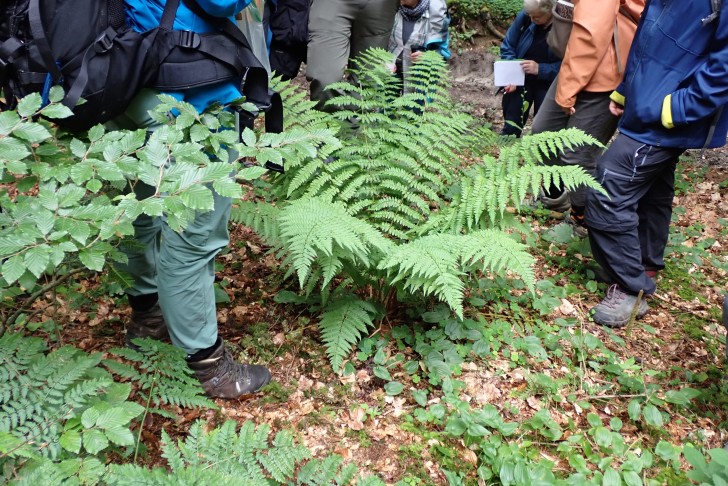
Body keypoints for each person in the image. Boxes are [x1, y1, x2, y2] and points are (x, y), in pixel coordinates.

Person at [113, 0, 272, 399]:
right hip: (185, 83)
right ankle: (206, 365)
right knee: (193, 233)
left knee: (140, 209)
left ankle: (148, 316)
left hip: (116, 72)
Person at [586, 0, 728, 328]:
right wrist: (625, 91)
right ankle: (641, 266)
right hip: (648, 102)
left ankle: (631, 287)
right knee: (653, 189)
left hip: (668, 113)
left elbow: (724, 66)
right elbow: (646, 36)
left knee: (606, 187)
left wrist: (675, 109)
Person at [530, 0, 644, 237]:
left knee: (578, 156)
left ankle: (584, 222)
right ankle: (556, 198)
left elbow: (590, 36)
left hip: (605, 69)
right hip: (574, 65)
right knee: (543, 134)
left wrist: (568, 89)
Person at [307, 0, 400, 111]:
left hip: (381, 6)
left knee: (366, 86)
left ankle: (352, 127)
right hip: (332, 4)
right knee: (325, 80)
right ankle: (326, 125)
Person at [498, 0, 560, 137]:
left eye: (536, 17)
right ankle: (506, 151)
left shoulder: (563, 26)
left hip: (549, 83)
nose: (532, 19)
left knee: (544, 129)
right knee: (511, 125)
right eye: (530, 15)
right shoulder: (526, 17)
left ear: (549, 11)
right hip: (520, 80)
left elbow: (569, 64)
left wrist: (541, 69)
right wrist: (511, 76)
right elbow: (508, 46)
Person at [387, 0, 450, 94]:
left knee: (412, 107)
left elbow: (442, 52)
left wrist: (426, 57)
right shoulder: (390, 8)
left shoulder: (437, 15)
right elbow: (377, 38)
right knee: (386, 108)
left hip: (417, 79)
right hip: (389, 72)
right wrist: (383, 59)